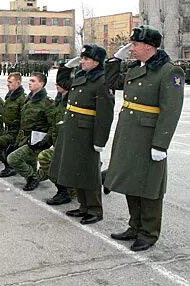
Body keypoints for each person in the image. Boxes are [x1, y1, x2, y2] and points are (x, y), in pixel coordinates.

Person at [104, 25, 184, 251]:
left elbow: (171, 111)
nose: (131, 48)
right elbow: (111, 83)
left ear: (149, 46)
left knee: (149, 186)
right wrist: (114, 60)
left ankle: (148, 233)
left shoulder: (169, 71)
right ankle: (135, 225)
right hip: (130, 134)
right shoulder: (138, 67)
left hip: (149, 137)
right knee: (131, 180)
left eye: (135, 44)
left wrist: (161, 144)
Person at [49, 44, 114, 225]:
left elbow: (105, 114)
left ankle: (94, 209)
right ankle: (83, 206)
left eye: (86, 59)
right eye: (82, 58)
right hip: (73, 128)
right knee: (76, 169)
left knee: (89, 172)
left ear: (97, 61)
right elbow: (63, 83)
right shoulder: (81, 76)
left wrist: (100, 140)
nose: (82, 61)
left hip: (87, 131)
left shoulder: (103, 81)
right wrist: (66, 67)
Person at [6, 72, 53, 191]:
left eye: (33, 81)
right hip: (25, 137)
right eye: (30, 81)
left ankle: (34, 178)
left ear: (41, 84)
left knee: (13, 158)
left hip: (37, 139)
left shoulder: (46, 102)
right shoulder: (29, 98)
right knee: (29, 163)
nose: (30, 83)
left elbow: (52, 124)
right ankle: (36, 177)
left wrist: (46, 140)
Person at [37, 64, 73, 205]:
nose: (57, 84)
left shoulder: (72, 101)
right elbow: (53, 124)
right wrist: (47, 140)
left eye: (61, 81)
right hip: (59, 143)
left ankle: (65, 191)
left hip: (70, 144)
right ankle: (64, 190)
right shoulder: (58, 100)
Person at [0, 72, 26, 177]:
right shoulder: (10, 96)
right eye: (7, 82)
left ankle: (11, 166)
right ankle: (8, 164)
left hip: (16, 132)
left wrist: (19, 138)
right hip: (8, 130)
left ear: (18, 83)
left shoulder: (22, 98)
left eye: (10, 82)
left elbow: (24, 119)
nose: (7, 84)